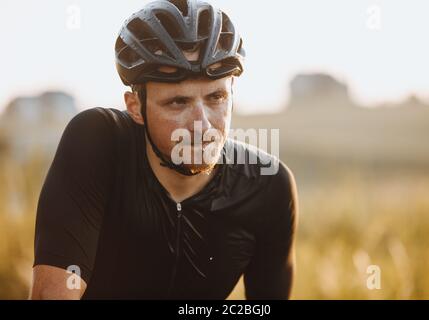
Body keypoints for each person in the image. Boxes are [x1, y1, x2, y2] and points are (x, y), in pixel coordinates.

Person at [30, 0, 299, 300]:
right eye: (178, 102)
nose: (202, 125)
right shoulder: (97, 142)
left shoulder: (267, 187)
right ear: (135, 107)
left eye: (216, 97)